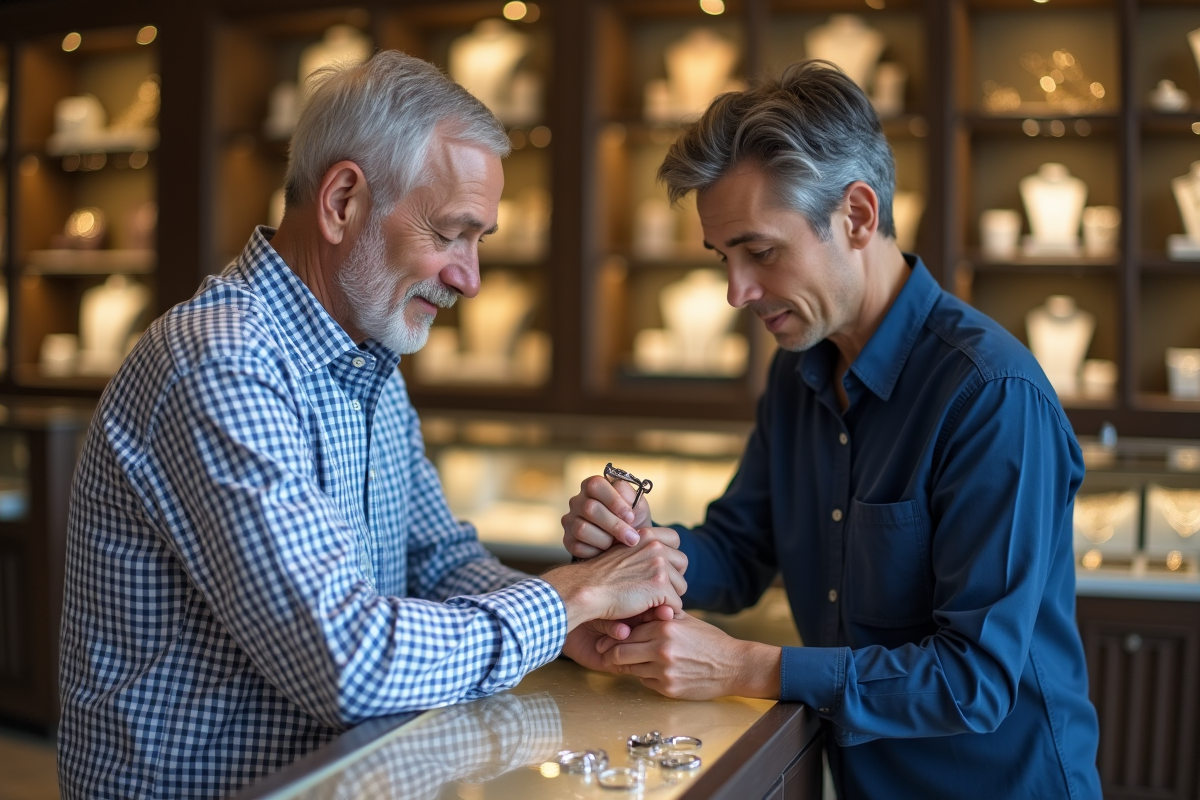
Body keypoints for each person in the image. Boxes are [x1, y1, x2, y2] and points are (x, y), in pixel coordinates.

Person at [57, 51, 686, 799]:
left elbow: (437, 561)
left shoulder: (368, 360)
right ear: (343, 201)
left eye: (479, 240)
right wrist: (571, 598)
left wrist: (570, 630)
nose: (470, 277)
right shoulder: (220, 363)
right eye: (452, 233)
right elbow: (346, 665)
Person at [561, 61, 1102, 800]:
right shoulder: (798, 369)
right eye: (724, 257)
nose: (736, 291)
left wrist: (749, 666)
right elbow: (743, 548)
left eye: (761, 251)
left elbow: (971, 682)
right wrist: (642, 549)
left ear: (856, 215)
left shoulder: (990, 394)